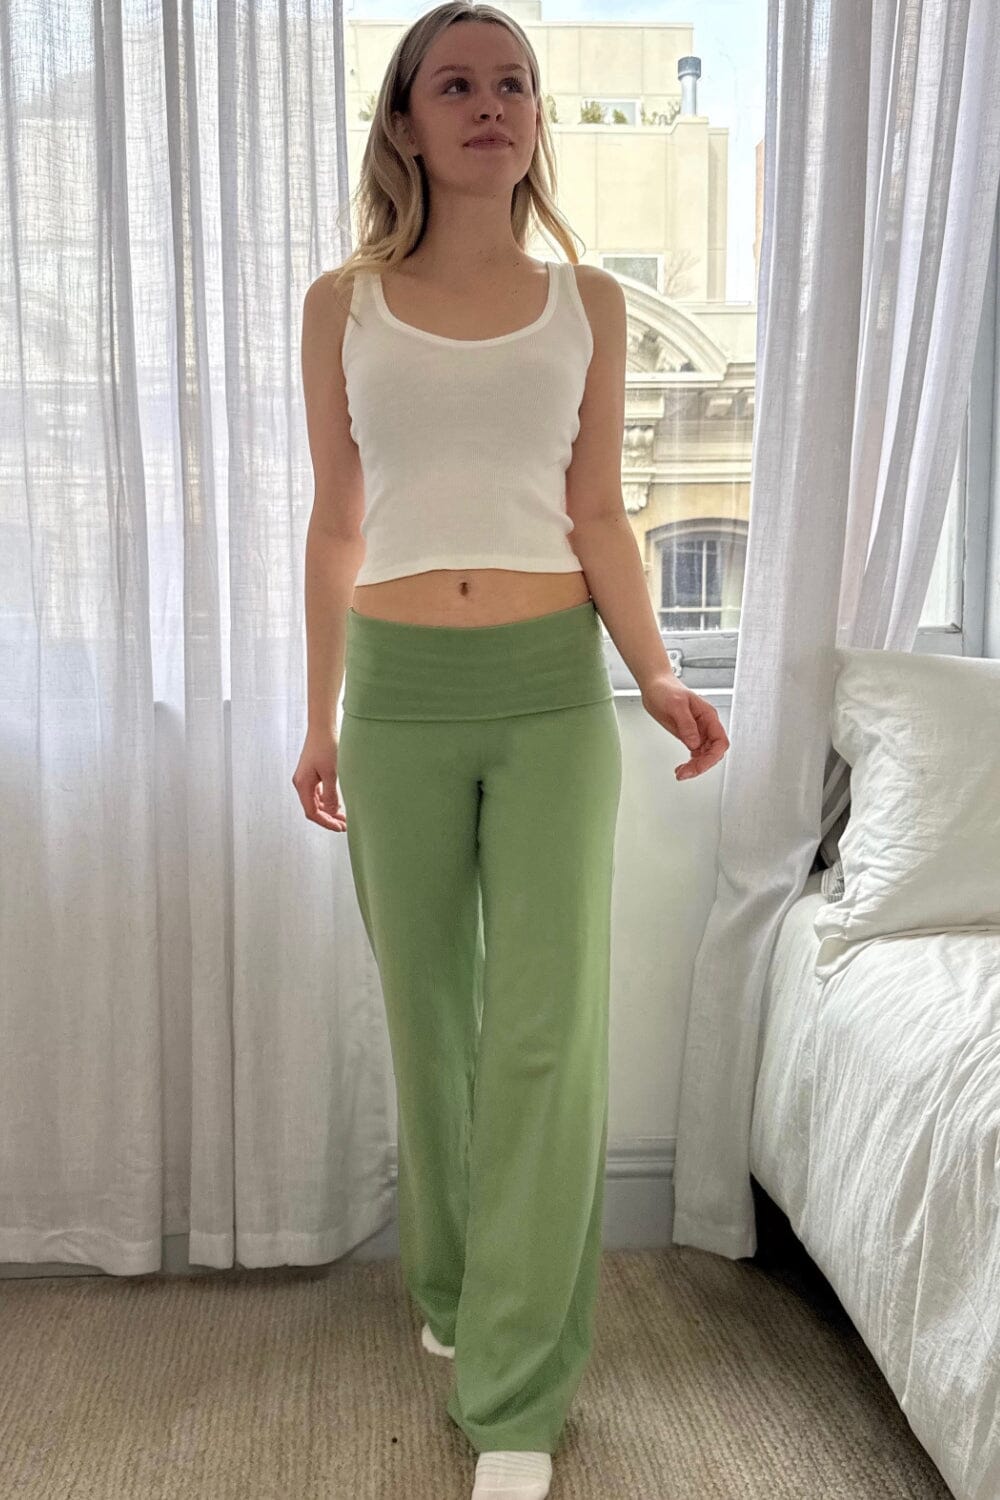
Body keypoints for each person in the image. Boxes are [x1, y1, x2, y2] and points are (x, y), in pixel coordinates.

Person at [293, 5, 729, 1496]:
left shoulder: (587, 304)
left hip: (551, 695)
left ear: (536, 118)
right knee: (432, 1023)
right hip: (397, 698)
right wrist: (316, 715)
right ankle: (455, 1287)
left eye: (515, 85)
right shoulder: (342, 305)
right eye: (458, 84)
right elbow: (337, 522)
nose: (493, 105)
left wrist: (657, 673)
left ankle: (520, 1399)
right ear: (406, 124)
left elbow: (600, 512)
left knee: (545, 1037)